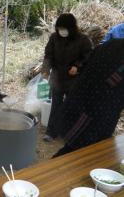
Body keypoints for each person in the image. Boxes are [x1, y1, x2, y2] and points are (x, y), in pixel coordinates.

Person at [53, 39, 124, 157]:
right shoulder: (113, 47)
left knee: (76, 152)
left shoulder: (112, 43)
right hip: (93, 115)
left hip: (82, 105)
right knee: (78, 154)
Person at [41, 13, 93, 142]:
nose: (61, 31)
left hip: (74, 79)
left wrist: (77, 66)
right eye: (59, 28)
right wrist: (46, 69)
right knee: (56, 104)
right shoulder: (54, 38)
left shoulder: (83, 40)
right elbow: (48, 55)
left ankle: (70, 133)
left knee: (72, 105)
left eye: (64, 28)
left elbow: (88, 56)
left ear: (72, 28)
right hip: (57, 76)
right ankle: (51, 132)